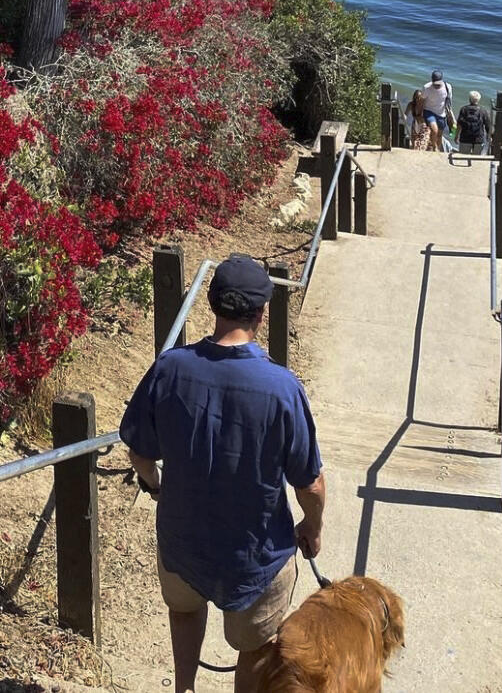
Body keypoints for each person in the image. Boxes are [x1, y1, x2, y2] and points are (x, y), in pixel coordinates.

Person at [120, 255, 326, 693]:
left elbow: (139, 452)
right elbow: (309, 483)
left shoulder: (170, 368)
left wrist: (156, 486)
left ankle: (184, 688)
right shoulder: (282, 388)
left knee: (184, 611)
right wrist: (312, 525)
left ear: (212, 304)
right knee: (253, 646)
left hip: (181, 541)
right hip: (255, 557)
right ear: (261, 313)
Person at [419, 69, 454, 152]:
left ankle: (436, 148)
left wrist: (451, 115)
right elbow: (421, 101)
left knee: (439, 135)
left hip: (442, 113)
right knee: (434, 130)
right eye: (435, 84)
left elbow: (449, 102)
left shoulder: (448, 87)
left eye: (438, 84)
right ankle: (434, 147)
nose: (437, 86)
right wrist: (420, 114)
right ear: (432, 81)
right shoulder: (426, 87)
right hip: (429, 111)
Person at [456, 90, 493, 154]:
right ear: (478, 100)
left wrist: (456, 136)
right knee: (476, 159)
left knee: (463, 158)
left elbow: (459, 125)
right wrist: (489, 137)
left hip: (465, 139)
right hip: (478, 140)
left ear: (469, 99)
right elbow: (488, 126)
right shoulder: (483, 111)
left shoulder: (463, 109)